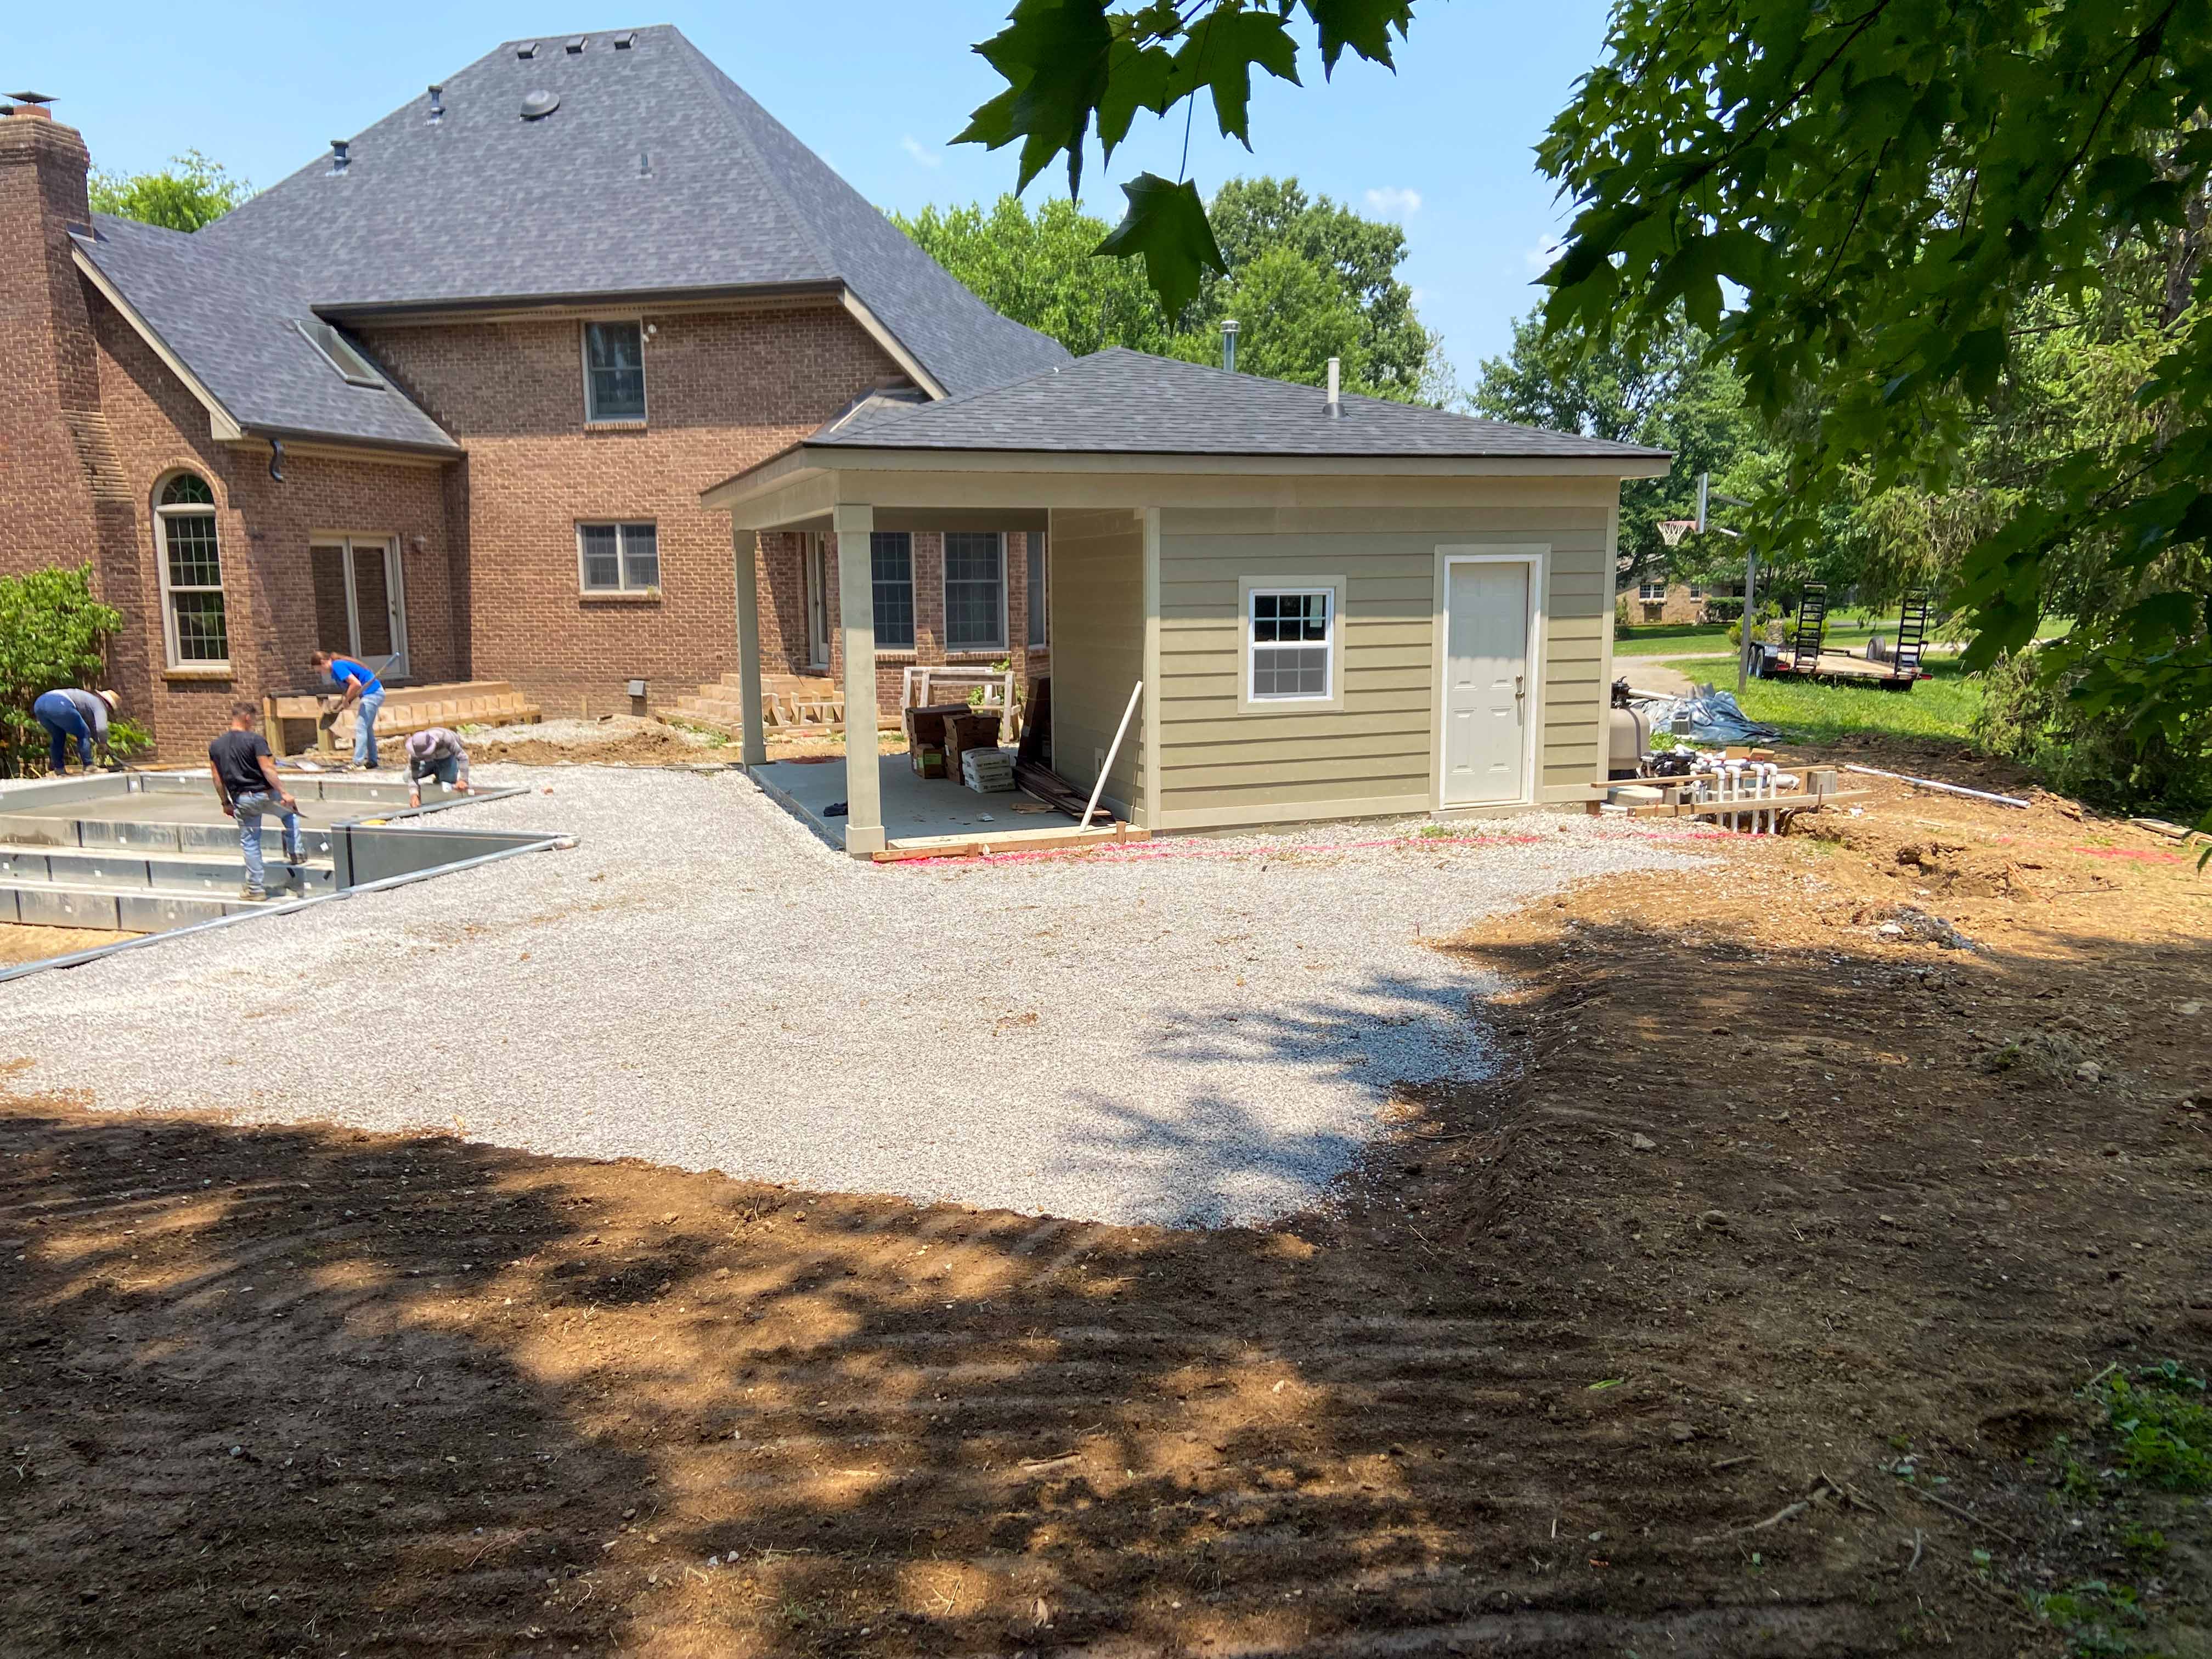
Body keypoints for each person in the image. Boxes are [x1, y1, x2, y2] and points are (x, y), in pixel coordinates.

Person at [207, 701, 304, 901]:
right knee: (290, 814)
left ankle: (255, 889)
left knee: (250, 843)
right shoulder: (255, 740)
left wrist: (225, 802)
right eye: (254, 720)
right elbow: (268, 769)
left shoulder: (216, 746)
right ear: (247, 717)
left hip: (242, 799)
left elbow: (217, 778)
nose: (254, 724)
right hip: (265, 795)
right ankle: (297, 852)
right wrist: (284, 793)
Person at [312, 648, 385, 769]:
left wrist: (347, 701)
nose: (321, 673)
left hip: (372, 694)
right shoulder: (336, 669)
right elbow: (349, 688)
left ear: (323, 662)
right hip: (373, 693)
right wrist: (344, 700)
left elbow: (356, 684)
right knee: (367, 729)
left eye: (319, 670)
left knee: (360, 727)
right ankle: (373, 761)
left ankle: (357, 762)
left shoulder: (337, 666)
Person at [32, 687, 117, 775]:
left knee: (58, 736)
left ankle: (59, 769)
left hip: (39, 704)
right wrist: (103, 743)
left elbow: (93, 729)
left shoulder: (88, 702)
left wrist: (100, 742)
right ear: (108, 705)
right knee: (83, 733)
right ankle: (89, 766)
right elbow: (101, 728)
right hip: (58, 703)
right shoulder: (99, 704)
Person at [404, 726, 475, 808]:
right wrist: (414, 794)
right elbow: (413, 775)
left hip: (446, 758)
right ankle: (436, 771)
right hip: (429, 762)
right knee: (406, 776)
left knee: (447, 782)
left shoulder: (445, 738)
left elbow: (462, 757)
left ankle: (440, 773)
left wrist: (463, 780)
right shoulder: (415, 750)